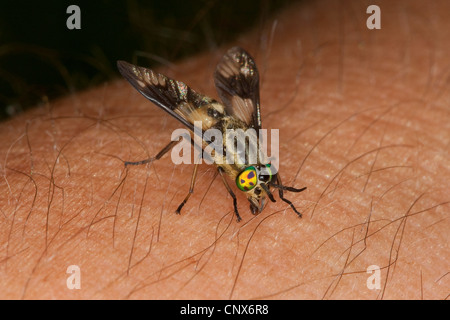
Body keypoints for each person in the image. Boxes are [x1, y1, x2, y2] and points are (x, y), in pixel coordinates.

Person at [0, 0, 448, 299]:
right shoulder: (224, 161)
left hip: (236, 123)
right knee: (189, 135)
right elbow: (216, 154)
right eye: (256, 183)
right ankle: (165, 164)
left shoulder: (254, 162)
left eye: (258, 182)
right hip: (209, 123)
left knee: (235, 133)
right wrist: (196, 195)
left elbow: (254, 141)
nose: (256, 187)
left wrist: (274, 187)